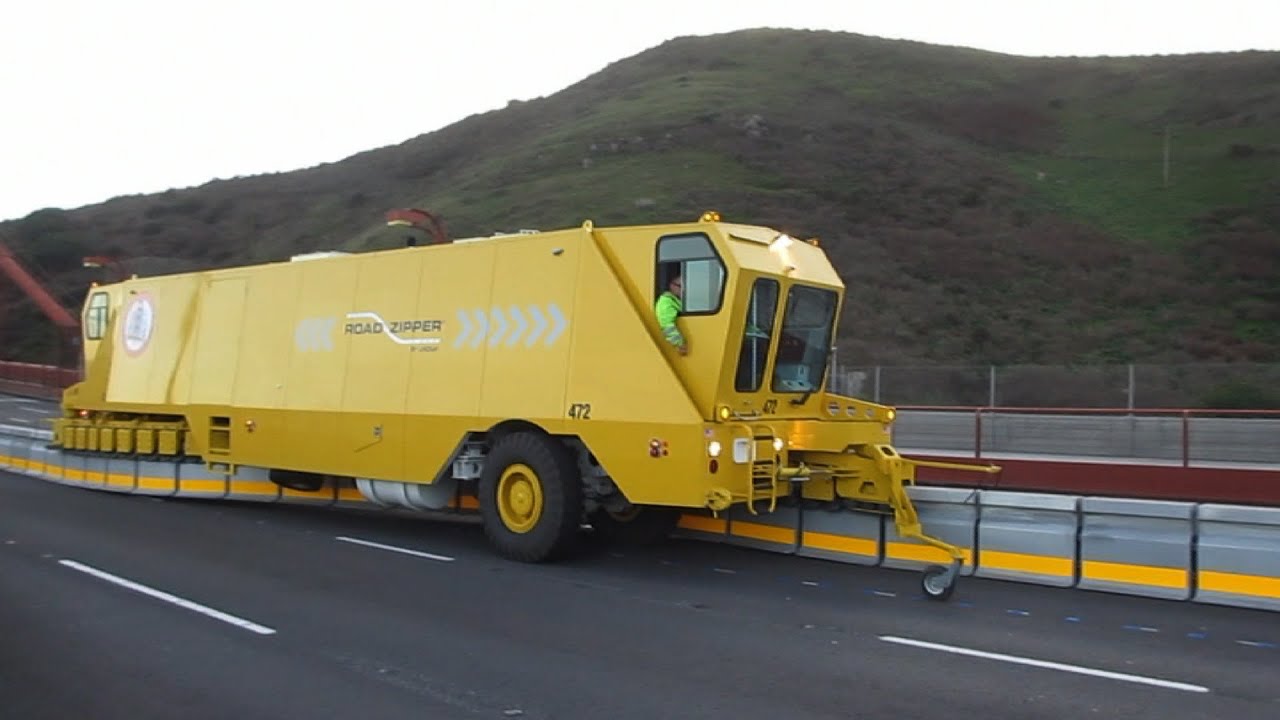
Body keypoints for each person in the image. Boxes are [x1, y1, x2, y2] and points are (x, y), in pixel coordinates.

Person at [655, 273, 688, 355]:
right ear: (672, 286)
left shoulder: (677, 300)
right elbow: (666, 324)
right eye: (680, 286)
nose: (683, 290)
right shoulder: (666, 301)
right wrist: (679, 343)